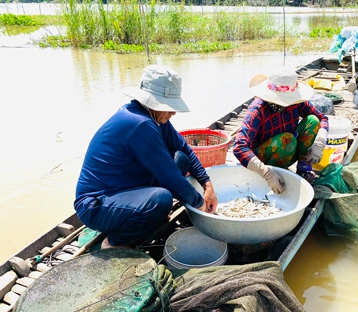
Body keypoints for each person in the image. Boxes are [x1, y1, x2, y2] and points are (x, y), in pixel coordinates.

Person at [74, 64, 218, 250]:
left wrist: (207, 184)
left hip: (126, 187)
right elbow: (169, 176)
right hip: (97, 205)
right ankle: (114, 243)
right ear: (152, 102)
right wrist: (201, 206)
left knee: (180, 159)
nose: (173, 112)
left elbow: (184, 148)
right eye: (169, 107)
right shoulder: (139, 124)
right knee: (162, 198)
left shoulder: (154, 117)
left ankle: (145, 212)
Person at [233, 66, 329, 194]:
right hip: (265, 159)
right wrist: (266, 173)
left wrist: (319, 143)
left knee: (312, 120)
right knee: (287, 140)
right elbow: (239, 147)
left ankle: (304, 170)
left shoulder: (296, 101)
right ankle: (277, 175)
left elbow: (322, 118)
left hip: (290, 149)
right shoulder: (257, 109)